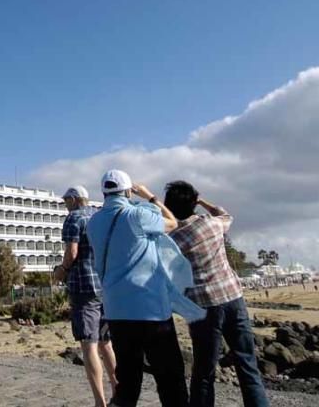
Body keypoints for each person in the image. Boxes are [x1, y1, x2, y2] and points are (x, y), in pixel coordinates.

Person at [86, 169, 203, 407]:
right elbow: (172, 223)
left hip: (116, 310)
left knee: (127, 383)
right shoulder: (137, 215)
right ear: (128, 191)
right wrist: (150, 197)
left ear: (104, 192)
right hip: (150, 309)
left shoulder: (93, 222)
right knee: (170, 380)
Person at [165, 181, 270, 407]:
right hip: (232, 297)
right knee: (247, 365)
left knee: (204, 371)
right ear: (194, 204)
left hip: (201, 306)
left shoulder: (173, 240)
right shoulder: (211, 225)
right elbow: (225, 214)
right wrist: (202, 201)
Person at [53, 185, 117, 407]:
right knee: (106, 343)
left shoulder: (74, 218)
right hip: (105, 286)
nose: (65, 205)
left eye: (65, 201)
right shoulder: (100, 217)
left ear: (73, 199)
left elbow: (72, 252)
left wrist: (61, 270)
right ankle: (118, 391)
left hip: (83, 287)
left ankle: (100, 402)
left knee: (89, 345)